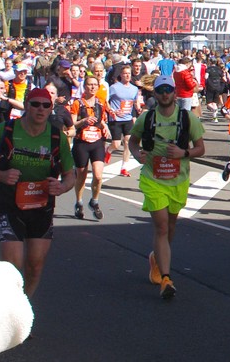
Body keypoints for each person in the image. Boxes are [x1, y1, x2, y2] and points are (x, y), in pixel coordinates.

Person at [128, 74, 207, 301]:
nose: (164, 94)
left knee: (170, 227)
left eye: (168, 90)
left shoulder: (187, 118)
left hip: (178, 180)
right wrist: (137, 155)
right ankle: (166, 279)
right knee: (161, 226)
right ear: (154, 93)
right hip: (153, 178)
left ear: (174, 93)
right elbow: (132, 142)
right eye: (160, 90)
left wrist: (184, 152)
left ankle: (156, 258)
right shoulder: (146, 118)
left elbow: (201, 148)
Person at [0, 87, 74, 298]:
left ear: (51, 109)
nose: (41, 109)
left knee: (35, 266)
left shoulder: (56, 137)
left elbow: (70, 176)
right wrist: (2, 176)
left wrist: (61, 187)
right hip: (9, 204)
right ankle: (9, 310)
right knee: (12, 267)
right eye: (35, 104)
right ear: (26, 106)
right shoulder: (5, 130)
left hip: (41, 206)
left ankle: (23, 307)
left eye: (46, 105)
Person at [69, 74, 111, 221]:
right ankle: (79, 202)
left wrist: (105, 127)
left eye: (95, 85)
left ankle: (94, 201)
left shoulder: (101, 103)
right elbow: (72, 124)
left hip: (97, 142)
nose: (92, 87)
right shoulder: (77, 103)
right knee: (81, 174)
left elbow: (101, 120)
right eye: (90, 84)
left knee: (98, 175)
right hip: (82, 142)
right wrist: (84, 121)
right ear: (85, 87)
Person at [107, 64, 140, 177]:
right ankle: (109, 150)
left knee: (128, 142)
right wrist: (112, 111)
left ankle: (124, 167)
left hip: (128, 118)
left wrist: (138, 108)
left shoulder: (134, 88)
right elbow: (106, 101)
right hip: (116, 119)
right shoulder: (114, 87)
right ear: (121, 75)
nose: (127, 75)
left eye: (129, 73)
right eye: (125, 73)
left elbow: (135, 102)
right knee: (116, 144)